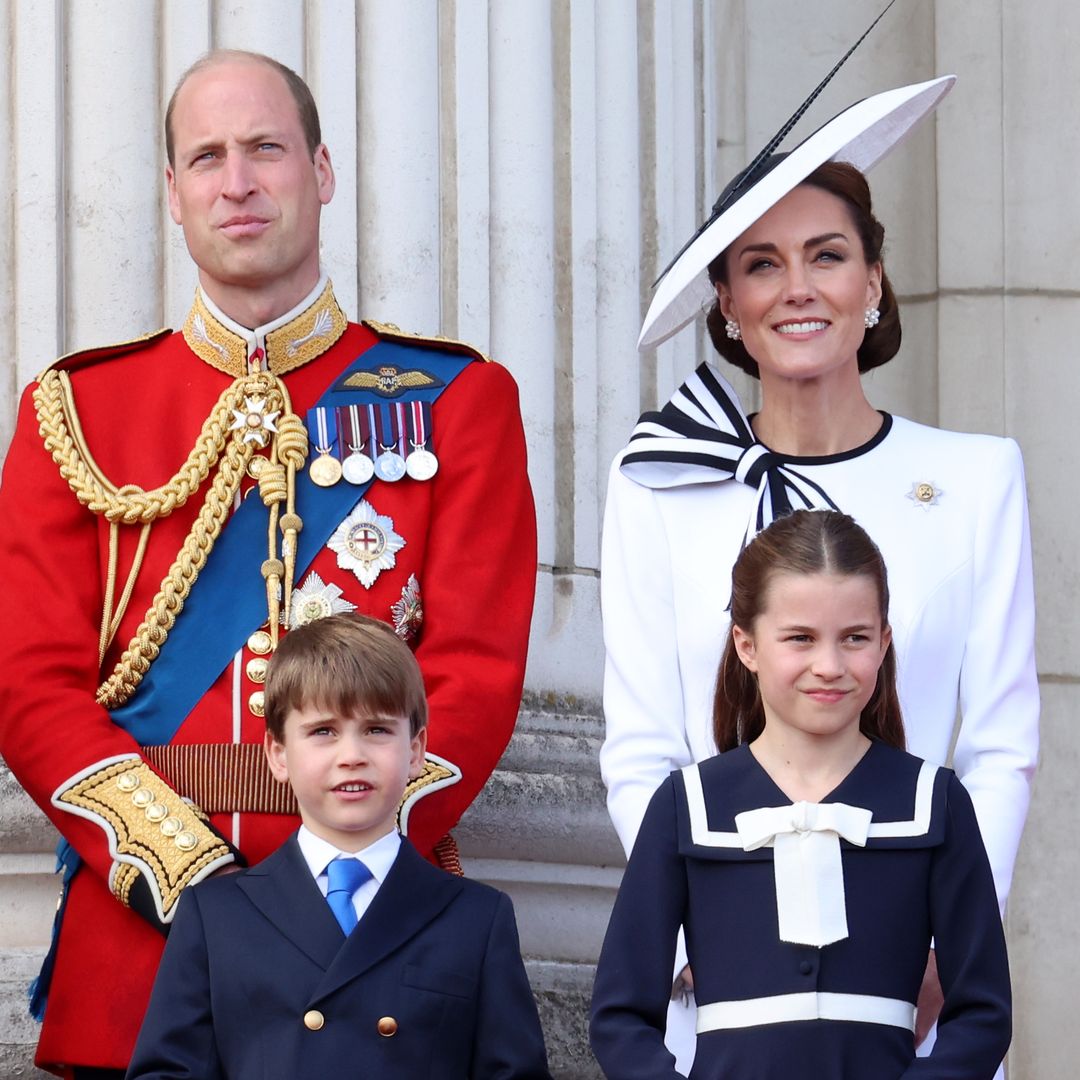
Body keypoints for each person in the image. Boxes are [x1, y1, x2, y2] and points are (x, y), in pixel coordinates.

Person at [0, 50, 536, 1077]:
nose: (236, 182)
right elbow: (31, 683)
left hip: (370, 932)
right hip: (142, 938)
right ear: (173, 193)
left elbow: (474, 676)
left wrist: (338, 859)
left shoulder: (458, 402)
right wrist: (185, 866)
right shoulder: (76, 412)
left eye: (264, 149)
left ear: (321, 171)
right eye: (206, 157)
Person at [600, 77, 1037, 1073]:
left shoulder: (974, 478)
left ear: (874, 281)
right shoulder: (659, 481)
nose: (798, 288)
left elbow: (1002, 745)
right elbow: (639, 750)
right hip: (725, 1003)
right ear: (728, 301)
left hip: (914, 997)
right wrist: (707, 924)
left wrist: (943, 943)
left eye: (827, 256)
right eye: (763, 264)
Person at [591, 510, 1011, 1080]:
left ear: (884, 642)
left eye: (855, 638)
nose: (830, 666)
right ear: (747, 645)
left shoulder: (934, 801)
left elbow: (982, 1013)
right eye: (800, 639)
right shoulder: (685, 804)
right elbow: (620, 1017)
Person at [126, 614, 551, 1080]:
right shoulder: (215, 915)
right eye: (323, 731)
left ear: (416, 751)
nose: (351, 755)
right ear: (278, 754)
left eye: (377, 730)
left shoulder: (475, 918)